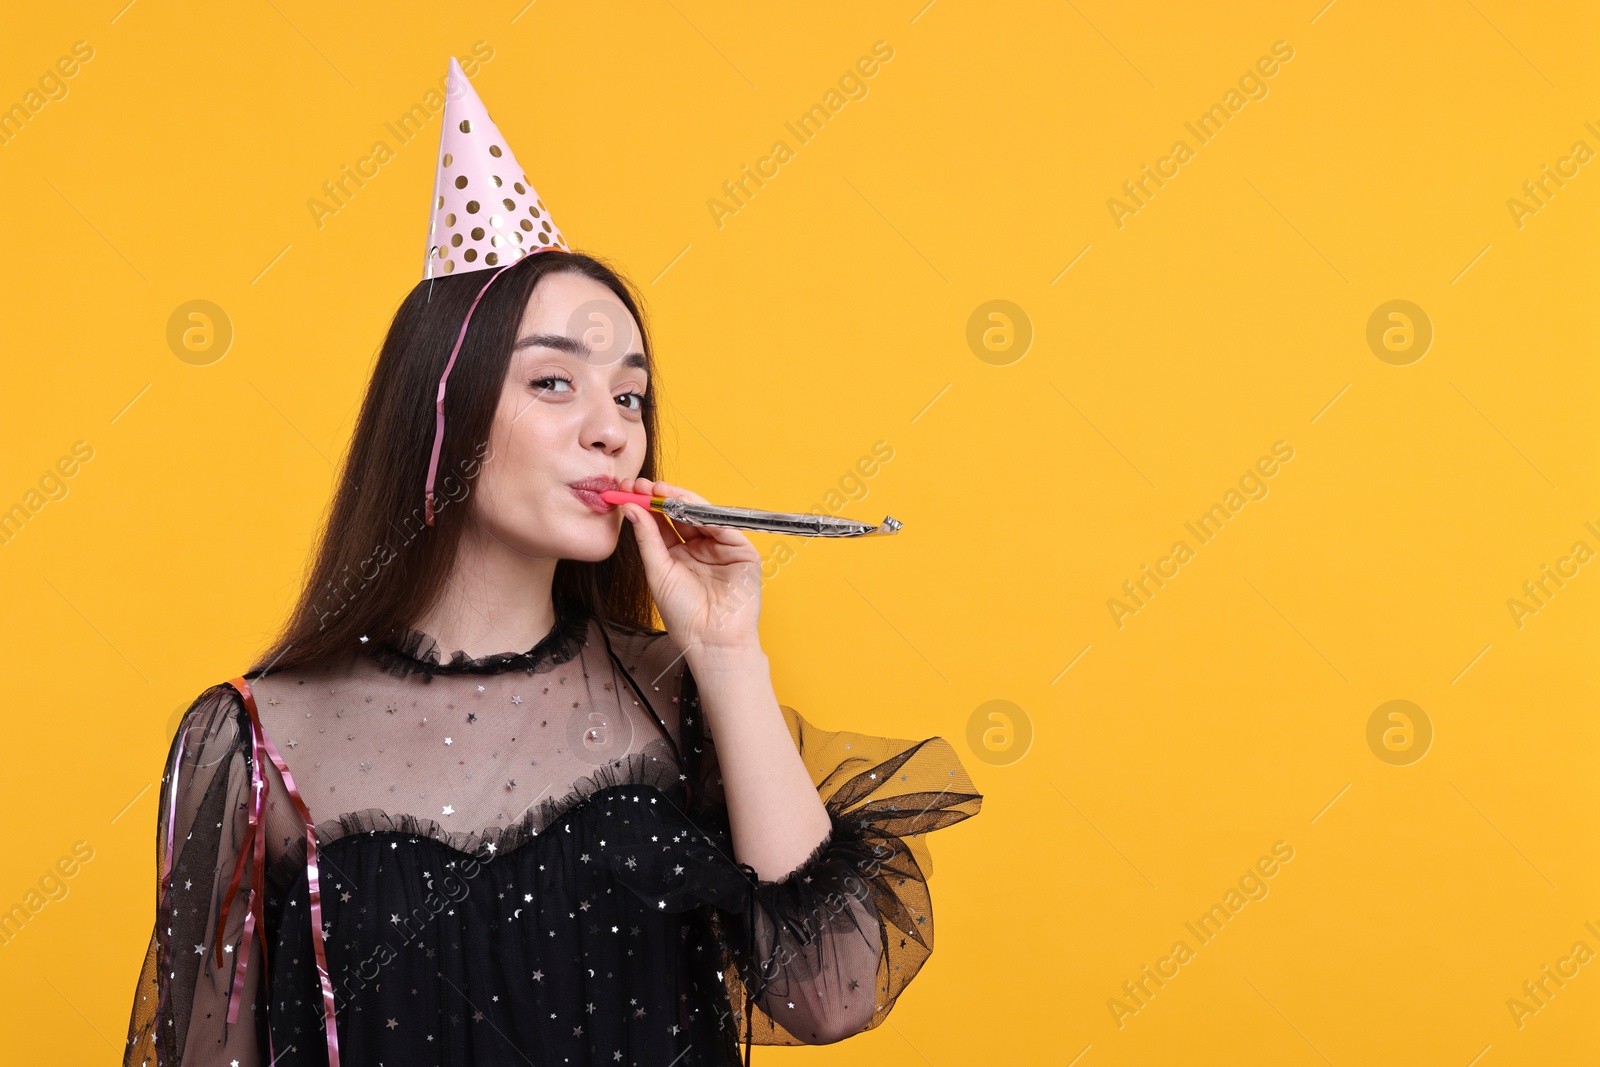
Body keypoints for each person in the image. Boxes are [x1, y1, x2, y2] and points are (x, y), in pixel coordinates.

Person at [121, 57, 981, 1067]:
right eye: (554, 382)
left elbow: (830, 991)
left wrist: (728, 651)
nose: (613, 429)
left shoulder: (673, 694)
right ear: (440, 417)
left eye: (628, 395)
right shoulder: (256, 740)